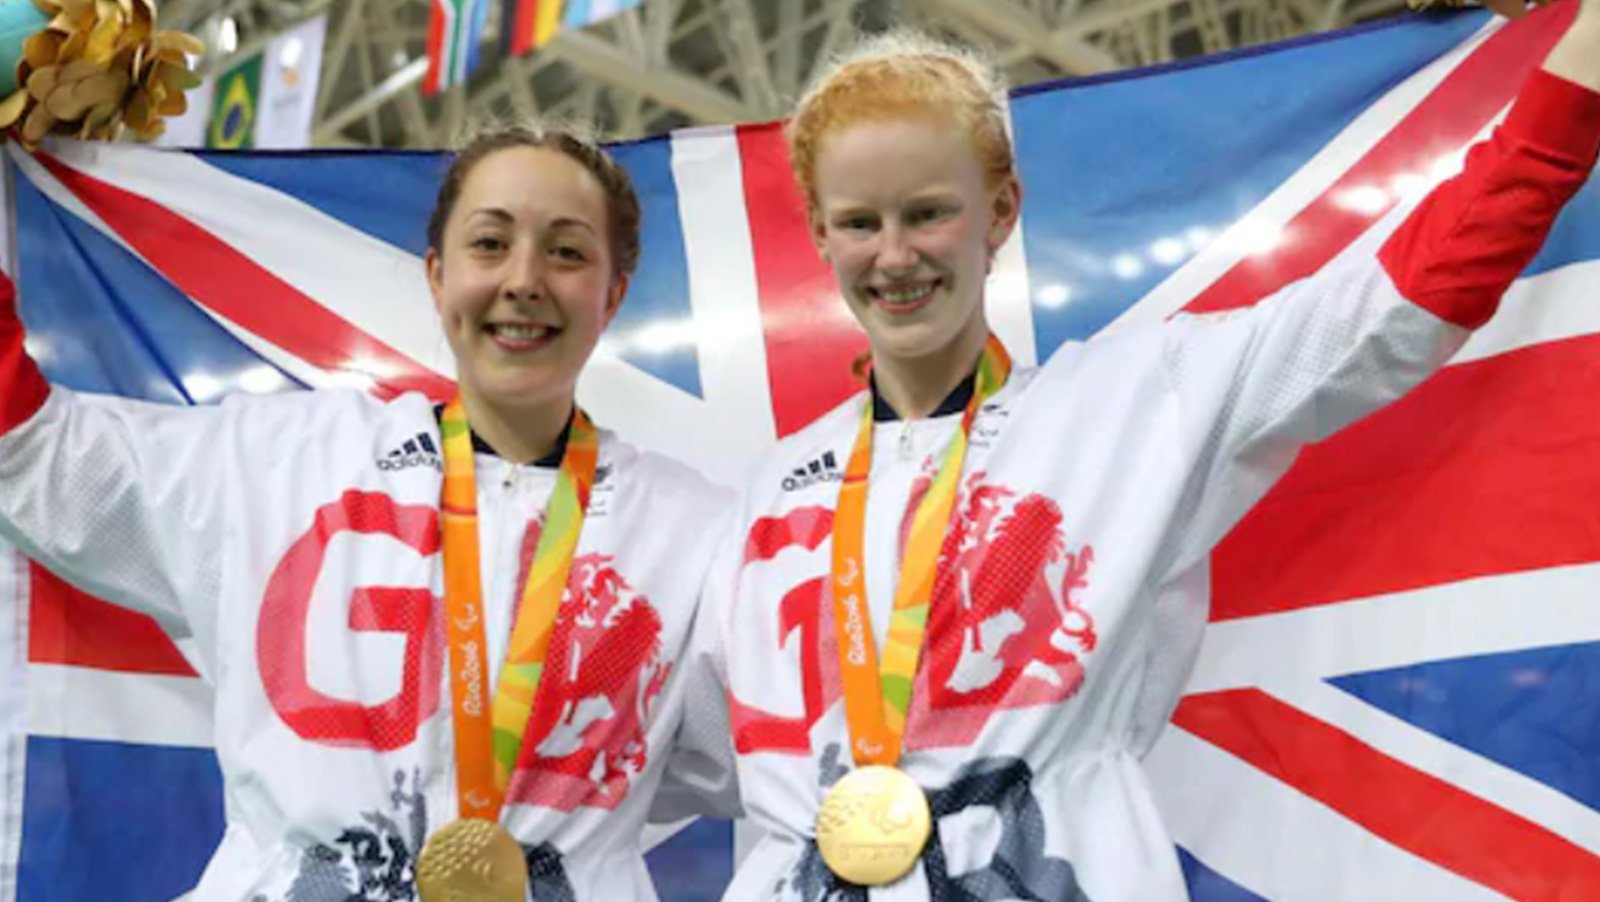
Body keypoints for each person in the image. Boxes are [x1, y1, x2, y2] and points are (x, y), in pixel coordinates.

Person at [690, 1, 1600, 899]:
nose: (893, 256)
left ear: (1001, 211)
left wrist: (1574, 78)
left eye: (927, 213)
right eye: (859, 223)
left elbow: (1396, 304)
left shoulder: (1134, 402)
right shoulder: (770, 493)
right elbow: (656, 752)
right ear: (817, 232)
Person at [0, 124, 732, 900]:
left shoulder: (690, 533)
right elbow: (38, 457)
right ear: (437, 275)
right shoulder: (283, 461)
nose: (524, 280)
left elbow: (802, 740)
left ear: (614, 293)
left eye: (567, 252)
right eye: (490, 244)